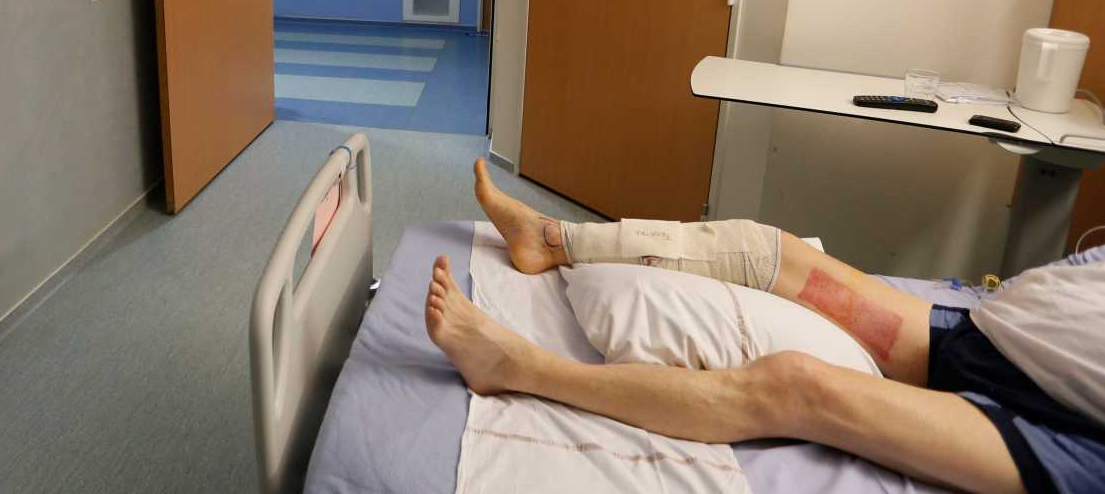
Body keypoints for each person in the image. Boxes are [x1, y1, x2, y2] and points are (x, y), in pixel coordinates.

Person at [424, 160, 1105, 494]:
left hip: (1065, 438)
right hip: (986, 342)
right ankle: (553, 238)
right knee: (775, 252)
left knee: (798, 385)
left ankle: (514, 365)